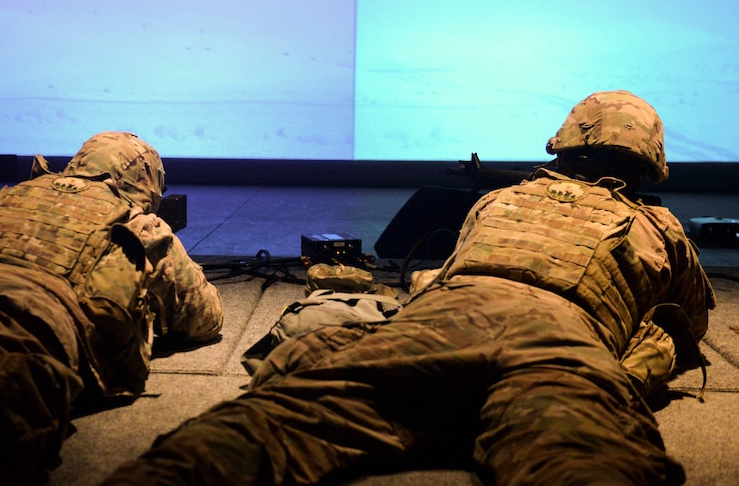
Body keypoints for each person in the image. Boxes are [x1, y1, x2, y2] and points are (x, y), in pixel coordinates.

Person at [100, 91, 715, 486]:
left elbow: (445, 273)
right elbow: (690, 320)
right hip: (559, 341)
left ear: (567, 141)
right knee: (583, 461)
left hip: (442, 320)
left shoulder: (501, 201)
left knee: (265, 426)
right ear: (649, 160)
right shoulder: (658, 227)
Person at [0, 131, 223, 486]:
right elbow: (204, 317)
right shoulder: (139, 223)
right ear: (145, 183)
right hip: (22, 314)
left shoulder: (16, 195)